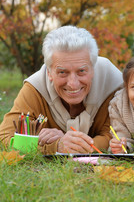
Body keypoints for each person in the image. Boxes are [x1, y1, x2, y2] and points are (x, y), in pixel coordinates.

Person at [0, 26, 123, 154]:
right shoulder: (35, 88)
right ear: (49, 73)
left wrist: (70, 143)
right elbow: (5, 136)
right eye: (62, 72)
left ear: (93, 69)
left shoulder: (114, 85)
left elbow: (116, 136)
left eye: (81, 71)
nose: (73, 84)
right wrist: (56, 147)